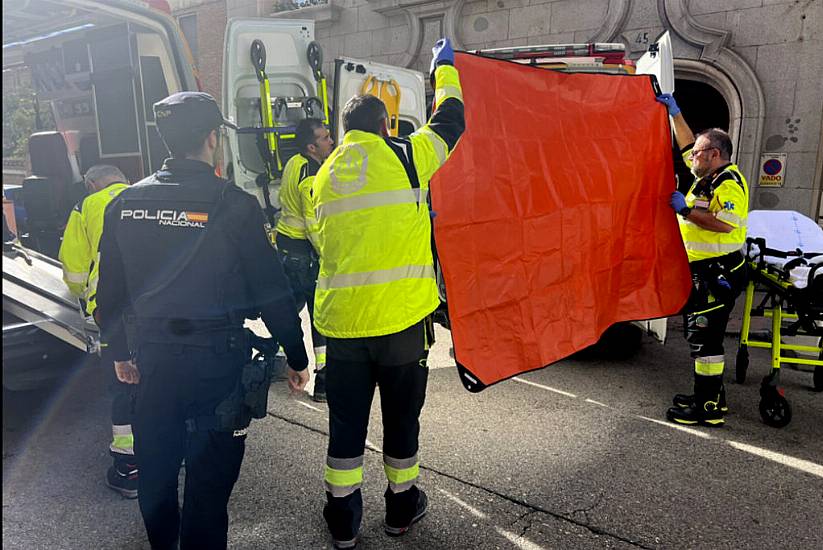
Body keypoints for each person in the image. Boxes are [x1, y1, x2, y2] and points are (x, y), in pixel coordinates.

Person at [96, 91, 310, 549]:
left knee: (155, 474)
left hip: (153, 362)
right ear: (213, 138)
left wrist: (119, 354)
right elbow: (273, 293)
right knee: (208, 490)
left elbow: (108, 295)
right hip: (217, 366)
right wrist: (296, 355)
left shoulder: (125, 203)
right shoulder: (233, 204)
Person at [310, 38, 465, 548]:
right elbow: (451, 123)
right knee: (401, 424)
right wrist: (444, 72)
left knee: (346, 427)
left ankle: (342, 520)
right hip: (400, 327)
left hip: (343, 328)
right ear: (384, 126)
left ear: (342, 132)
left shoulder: (324, 174)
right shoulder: (404, 156)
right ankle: (401, 510)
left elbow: (332, 238)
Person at [657, 93, 749, 427]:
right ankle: (710, 398)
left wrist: (687, 211)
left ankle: (707, 408)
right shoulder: (707, 176)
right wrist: (675, 114)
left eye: (697, 153)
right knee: (702, 337)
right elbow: (684, 146)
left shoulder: (729, 183)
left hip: (717, 273)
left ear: (714, 155)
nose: (690, 157)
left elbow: (726, 223)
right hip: (706, 271)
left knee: (705, 340)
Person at [58, 164, 138, 497]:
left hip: (112, 312)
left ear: (91, 184)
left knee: (123, 383)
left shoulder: (86, 206)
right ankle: (171, 451)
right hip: (159, 307)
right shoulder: (146, 195)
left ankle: (128, 467)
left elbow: (74, 270)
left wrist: (84, 300)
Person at [275, 118, 334, 402]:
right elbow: (313, 224)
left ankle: (276, 359)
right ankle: (324, 381)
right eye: (324, 138)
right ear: (312, 146)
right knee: (319, 318)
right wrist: (329, 254)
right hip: (304, 255)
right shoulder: (311, 176)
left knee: (286, 311)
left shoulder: (294, 163)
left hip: (285, 248)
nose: (331, 141)